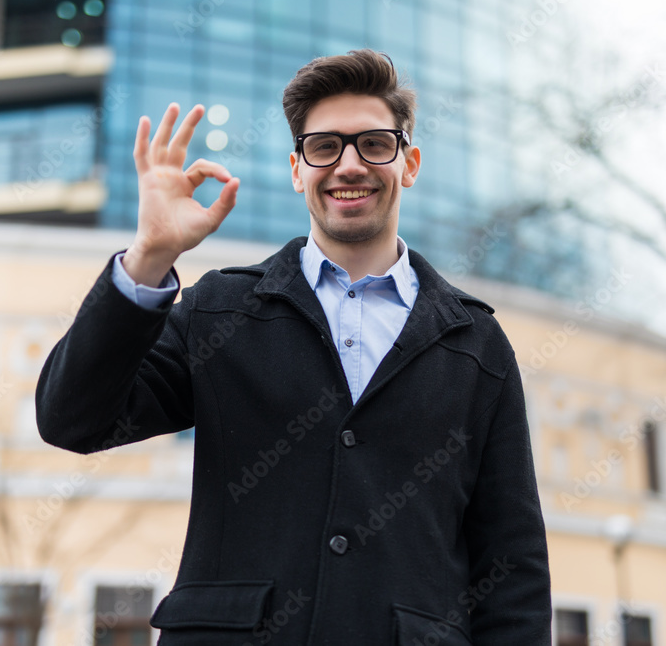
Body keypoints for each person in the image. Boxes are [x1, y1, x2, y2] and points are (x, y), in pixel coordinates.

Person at [36, 49, 551, 645]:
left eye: (374, 145)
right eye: (324, 147)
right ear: (296, 168)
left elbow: (512, 568)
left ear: (408, 163)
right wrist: (150, 256)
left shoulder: (476, 344)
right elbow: (72, 418)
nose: (349, 165)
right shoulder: (221, 309)